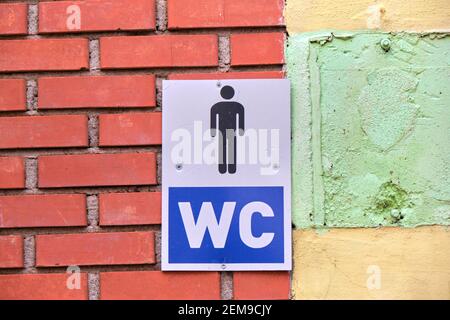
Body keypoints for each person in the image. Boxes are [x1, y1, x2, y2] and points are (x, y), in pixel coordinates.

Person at [210, 86, 245, 174]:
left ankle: (223, 169)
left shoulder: (217, 106)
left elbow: (213, 119)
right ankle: (230, 169)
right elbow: (241, 118)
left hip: (222, 131)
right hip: (230, 131)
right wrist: (241, 130)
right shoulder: (238, 105)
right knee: (230, 149)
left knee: (223, 149)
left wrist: (213, 131)